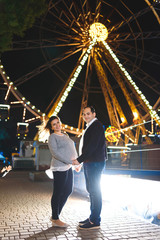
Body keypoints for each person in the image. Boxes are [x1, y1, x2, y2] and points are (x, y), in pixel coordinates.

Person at [72, 106, 106, 230]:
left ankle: (95, 220)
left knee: (95, 191)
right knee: (92, 191)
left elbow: (92, 146)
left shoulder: (96, 126)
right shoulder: (91, 126)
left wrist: (78, 160)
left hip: (95, 162)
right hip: (90, 162)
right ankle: (93, 217)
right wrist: (82, 161)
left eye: (88, 113)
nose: (86, 116)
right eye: (84, 114)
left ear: (94, 113)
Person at [45, 115, 79, 228]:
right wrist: (70, 161)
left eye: (58, 122)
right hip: (59, 167)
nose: (57, 125)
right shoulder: (52, 137)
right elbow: (55, 153)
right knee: (58, 192)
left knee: (68, 190)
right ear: (51, 127)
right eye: (54, 124)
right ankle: (55, 218)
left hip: (69, 167)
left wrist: (77, 163)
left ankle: (56, 215)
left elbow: (72, 150)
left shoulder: (65, 135)